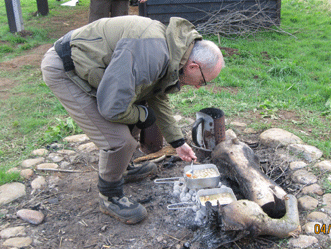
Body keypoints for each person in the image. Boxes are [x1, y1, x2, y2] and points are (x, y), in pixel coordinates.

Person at [41, 15, 225, 225]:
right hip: (66, 69)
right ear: (193, 66)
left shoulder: (174, 50)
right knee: (118, 141)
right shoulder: (151, 52)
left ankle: (122, 168)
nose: (199, 86)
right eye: (202, 81)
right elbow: (112, 109)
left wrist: (177, 142)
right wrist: (144, 115)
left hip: (96, 69)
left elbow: (156, 94)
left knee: (138, 109)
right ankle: (110, 196)